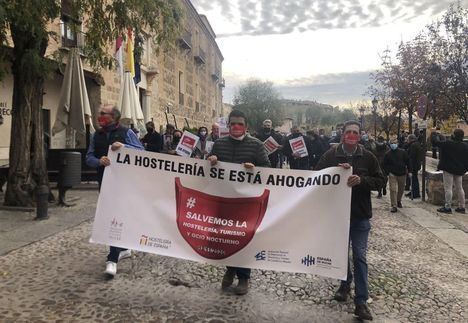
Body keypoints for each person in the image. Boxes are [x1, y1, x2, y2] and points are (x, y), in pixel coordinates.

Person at [315, 120, 384, 321]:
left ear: (360, 135)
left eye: (355, 132)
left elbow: (381, 182)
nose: (352, 135)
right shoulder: (330, 155)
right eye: (348, 132)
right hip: (337, 216)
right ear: (342, 134)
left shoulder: (368, 157)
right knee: (340, 254)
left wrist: (361, 181)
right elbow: (316, 177)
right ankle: (345, 283)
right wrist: (334, 173)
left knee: (360, 257)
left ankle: (361, 301)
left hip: (360, 216)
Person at [207, 110, 270, 295]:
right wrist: (211, 160)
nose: (236, 127)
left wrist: (255, 169)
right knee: (226, 236)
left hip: (246, 202)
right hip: (224, 200)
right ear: (228, 125)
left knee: (245, 237)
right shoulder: (219, 144)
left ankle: (243, 277)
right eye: (233, 123)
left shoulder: (256, 145)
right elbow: (208, 167)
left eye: (240, 124)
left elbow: (267, 169)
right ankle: (230, 268)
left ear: (246, 127)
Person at [86, 104, 144, 277]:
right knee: (112, 216)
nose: (99, 116)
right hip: (104, 182)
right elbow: (89, 157)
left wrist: (125, 148)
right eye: (99, 113)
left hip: (124, 183)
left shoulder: (127, 133)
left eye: (103, 113)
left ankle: (112, 259)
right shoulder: (96, 135)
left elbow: (142, 151)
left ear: (114, 117)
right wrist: (98, 161)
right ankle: (123, 248)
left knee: (115, 217)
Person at [431, 128, 468, 214]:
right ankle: (462, 207)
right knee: (460, 188)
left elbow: (435, 142)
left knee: (448, 188)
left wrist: (433, 133)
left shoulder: (449, 143)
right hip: (459, 170)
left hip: (448, 169)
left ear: (454, 135)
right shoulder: (465, 146)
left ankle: (448, 207)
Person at [383, 139, 411, 213]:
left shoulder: (403, 152)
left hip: (402, 173)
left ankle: (398, 200)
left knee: (401, 189)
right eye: (392, 143)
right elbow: (384, 164)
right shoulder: (388, 154)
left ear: (397, 143)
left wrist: (409, 170)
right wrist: (387, 172)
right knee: (393, 189)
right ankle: (394, 205)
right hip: (392, 173)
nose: (393, 144)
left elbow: (408, 161)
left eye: (394, 143)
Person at [406, 134, 423, 199]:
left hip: (414, 165)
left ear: (411, 139)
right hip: (417, 164)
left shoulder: (413, 145)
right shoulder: (417, 144)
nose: (407, 141)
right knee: (414, 179)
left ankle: (415, 193)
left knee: (414, 179)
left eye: (408, 139)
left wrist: (410, 167)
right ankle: (413, 191)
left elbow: (411, 157)